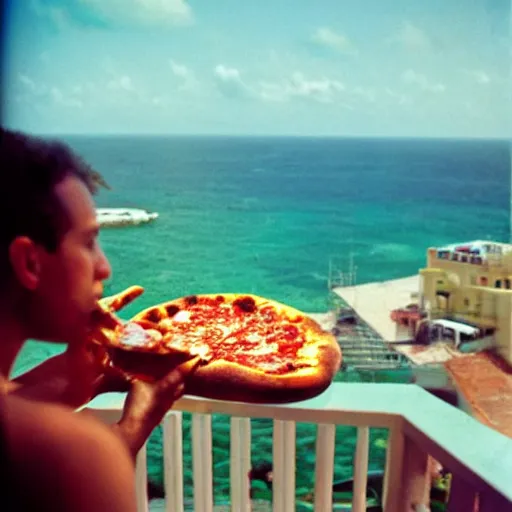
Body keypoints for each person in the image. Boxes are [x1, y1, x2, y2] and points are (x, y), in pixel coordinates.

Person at [0, 128, 197, 511]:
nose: (104, 267)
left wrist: (67, 386)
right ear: (29, 262)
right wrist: (135, 425)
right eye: (89, 242)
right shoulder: (77, 458)